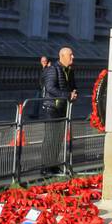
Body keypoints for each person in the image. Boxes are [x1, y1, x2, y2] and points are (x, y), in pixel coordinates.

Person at [40, 46, 78, 174]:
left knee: (58, 138)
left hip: (62, 107)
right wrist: (67, 95)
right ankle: (45, 167)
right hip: (52, 108)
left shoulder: (70, 70)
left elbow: (73, 86)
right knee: (50, 137)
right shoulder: (53, 69)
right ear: (62, 56)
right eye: (70, 55)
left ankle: (54, 164)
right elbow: (50, 88)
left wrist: (74, 92)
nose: (73, 57)